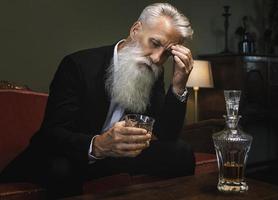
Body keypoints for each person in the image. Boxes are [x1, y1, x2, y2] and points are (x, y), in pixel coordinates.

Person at [0, 2, 195, 198]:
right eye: (155, 43)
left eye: (167, 53)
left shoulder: (154, 71)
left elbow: (166, 136)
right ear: (136, 30)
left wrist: (179, 85)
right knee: (62, 168)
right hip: (69, 154)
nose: (157, 58)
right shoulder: (78, 65)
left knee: (181, 152)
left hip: (112, 159)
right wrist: (99, 144)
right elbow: (51, 135)